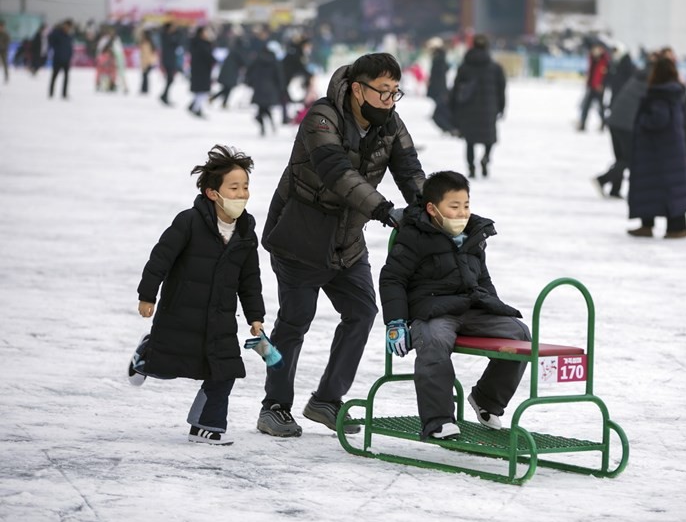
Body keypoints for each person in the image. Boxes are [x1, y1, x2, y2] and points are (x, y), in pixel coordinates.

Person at [257, 52, 426, 438]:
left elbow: (410, 171)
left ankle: (327, 400)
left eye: (395, 92)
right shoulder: (321, 117)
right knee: (294, 321)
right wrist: (384, 210)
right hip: (300, 237)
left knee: (362, 311)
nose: (389, 100)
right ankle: (274, 406)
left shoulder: (390, 124)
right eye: (382, 91)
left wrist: (430, 210)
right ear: (357, 89)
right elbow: (338, 173)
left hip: (347, 241)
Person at [130, 145, 266, 445]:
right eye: (233, 188)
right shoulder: (188, 222)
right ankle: (144, 356)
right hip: (181, 312)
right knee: (168, 364)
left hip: (221, 317)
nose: (242, 194)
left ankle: (206, 425)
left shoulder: (246, 232)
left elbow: (250, 279)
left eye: (245, 187)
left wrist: (255, 316)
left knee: (226, 370)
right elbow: (160, 259)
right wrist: (147, 295)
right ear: (212, 193)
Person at [379, 170, 530, 440]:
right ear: (432, 209)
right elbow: (393, 278)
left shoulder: (473, 234)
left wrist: (493, 305)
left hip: (470, 307)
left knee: (519, 334)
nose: (462, 213)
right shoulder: (414, 236)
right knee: (434, 341)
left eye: (466, 206)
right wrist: (396, 321)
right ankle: (438, 420)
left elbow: (482, 278)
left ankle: (487, 398)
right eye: (454, 206)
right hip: (431, 311)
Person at [627, 56, 686, 239]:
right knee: (669, 188)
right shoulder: (675, 94)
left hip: (657, 152)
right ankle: (672, 226)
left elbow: (659, 120)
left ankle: (661, 226)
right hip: (671, 150)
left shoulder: (659, 95)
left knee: (654, 187)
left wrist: (642, 121)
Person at [449, 34, 506, 178]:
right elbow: (501, 90)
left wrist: (453, 108)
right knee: (489, 138)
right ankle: (486, 158)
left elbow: (455, 89)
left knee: (470, 140)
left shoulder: (464, 67)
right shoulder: (496, 68)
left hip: (468, 109)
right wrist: (501, 108)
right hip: (489, 109)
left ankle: (471, 168)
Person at [594, 65, 647, 199]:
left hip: (614, 122)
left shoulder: (636, 79)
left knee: (620, 158)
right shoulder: (648, 85)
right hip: (625, 124)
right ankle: (602, 179)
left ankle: (615, 190)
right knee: (628, 159)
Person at [246, 44, 283, 136]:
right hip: (270, 88)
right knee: (265, 108)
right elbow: (279, 76)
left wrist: (250, 83)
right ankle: (271, 125)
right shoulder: (275, 61)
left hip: (259, 87)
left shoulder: (257, 60)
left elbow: (250, 72)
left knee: (262, 108)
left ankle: (263, 128)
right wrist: (281, 87)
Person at [578, 43, 609, 131]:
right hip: (591, 86)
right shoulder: (592, 59)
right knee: (586, 106)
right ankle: (583, 123)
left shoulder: (605, 60)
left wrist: (602, 84)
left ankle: (603, 123)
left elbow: (605, 75)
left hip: (599, 87)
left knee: (600, 107)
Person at [210, 35, 246, 109]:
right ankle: (214, 98)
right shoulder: (238, 51)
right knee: (227, 88)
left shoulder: (233, 50)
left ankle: (223, 102)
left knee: (228, 88)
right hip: (231, 73)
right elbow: (242, 61)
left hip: (228, 72)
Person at [188, 26, 215, 118]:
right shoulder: (200, 44)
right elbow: (207, 56)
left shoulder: (200, 43)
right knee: (201, 90)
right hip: (201, 70)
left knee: (200, 90)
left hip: (201, 70)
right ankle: (196, 108)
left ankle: (195, 106)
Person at [47, 19, 74, 100]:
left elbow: (69, 47)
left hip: (66, 59)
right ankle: (51, 93)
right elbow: (50, 39)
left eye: (69, 27)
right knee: (54, 76)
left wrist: (70, 56)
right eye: (66, 26)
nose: (68, 28)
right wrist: (56, 29)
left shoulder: (69, 36)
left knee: (66, 77)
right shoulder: (57, 33)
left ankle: (64, 94)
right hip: (57, 58)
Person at [159, 21, 182, 106]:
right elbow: (174, 42)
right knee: (170, 79)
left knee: (170, 79)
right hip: (167, 60)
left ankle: (165, 95)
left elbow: (178, 42)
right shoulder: (165, 36)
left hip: (171, 59)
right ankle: (164, 96)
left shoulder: (172, 36)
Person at [138, 28, 158, 95]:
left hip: (147, 62)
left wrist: (145, 63)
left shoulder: (147, 43)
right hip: (148, 61)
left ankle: (144, 89)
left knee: (145, 76)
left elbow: (146, 54)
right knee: (145, 76)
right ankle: (144, 89)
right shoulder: (148, 42)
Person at [0, 19, 10, 84]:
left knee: (5, 64)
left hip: (3, 51)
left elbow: (8, 42)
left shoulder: (5, 34)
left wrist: (3, 46)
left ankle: (6, 76)